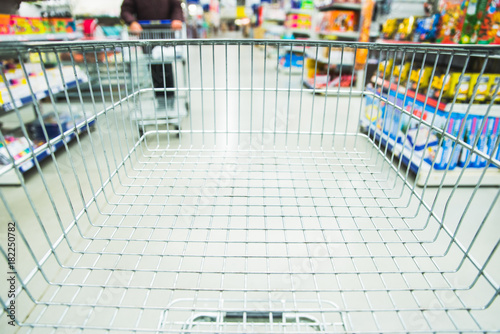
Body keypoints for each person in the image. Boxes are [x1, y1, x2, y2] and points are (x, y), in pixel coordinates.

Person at [121, 0, 184, 109]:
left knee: (167, 69)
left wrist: (177, 19)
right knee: (154, 69)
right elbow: (125, 10)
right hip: (147, 36)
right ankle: (161, 103)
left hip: (166, 35)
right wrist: (132, 22)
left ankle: (170, 102)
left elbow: (176, 6)